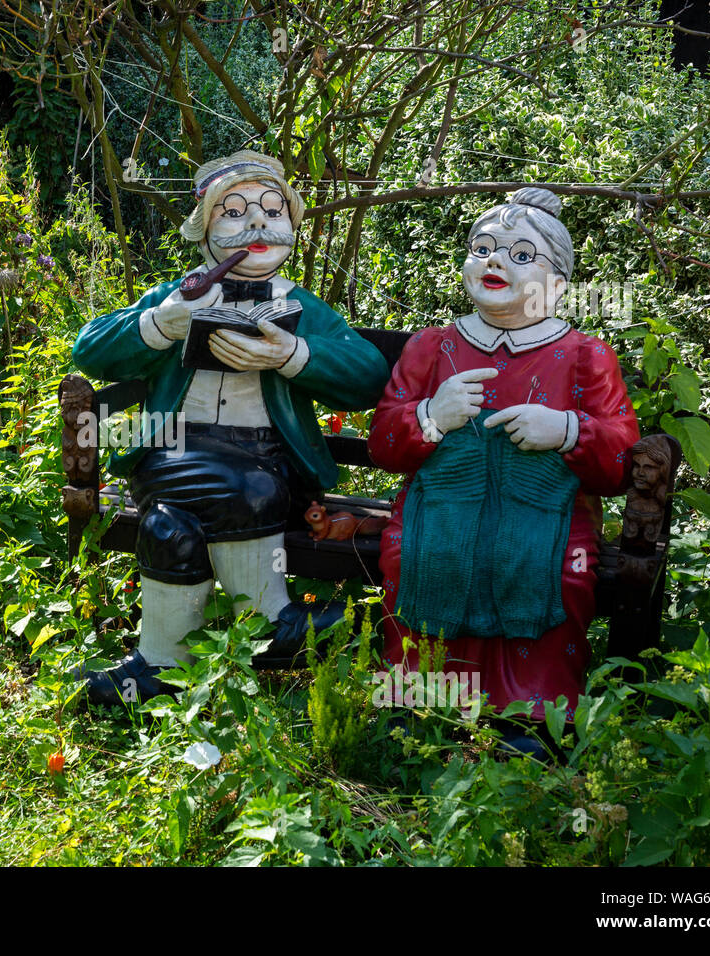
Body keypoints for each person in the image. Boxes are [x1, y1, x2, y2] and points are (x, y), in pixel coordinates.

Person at [70, 149, 390, 706]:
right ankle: (271, 622)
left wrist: (291, 354)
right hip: (173, 449)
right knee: (240, 488)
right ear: (204, 231)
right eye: (235, 212)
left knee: (171, 530)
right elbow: (90, 351)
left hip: (267, 457)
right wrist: (158, 324)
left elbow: (368, 377)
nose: (258, 223)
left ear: (291, 226)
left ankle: (161, 666)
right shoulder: (180, 295)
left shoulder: (301, 305)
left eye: (273, 211)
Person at [367, 186, 640, 734]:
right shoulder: (431, 347)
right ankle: (419, 704)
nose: (494, 261)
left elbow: (618, 462)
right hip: (438, 508)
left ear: (557, 285)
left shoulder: (585, 356)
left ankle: (534, 713)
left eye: (520, 255)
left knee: (558, 572)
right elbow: (383, 447)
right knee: (415, 555)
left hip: (549, 516)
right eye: (483, 247)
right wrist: (431, 416)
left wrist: (566, 430)